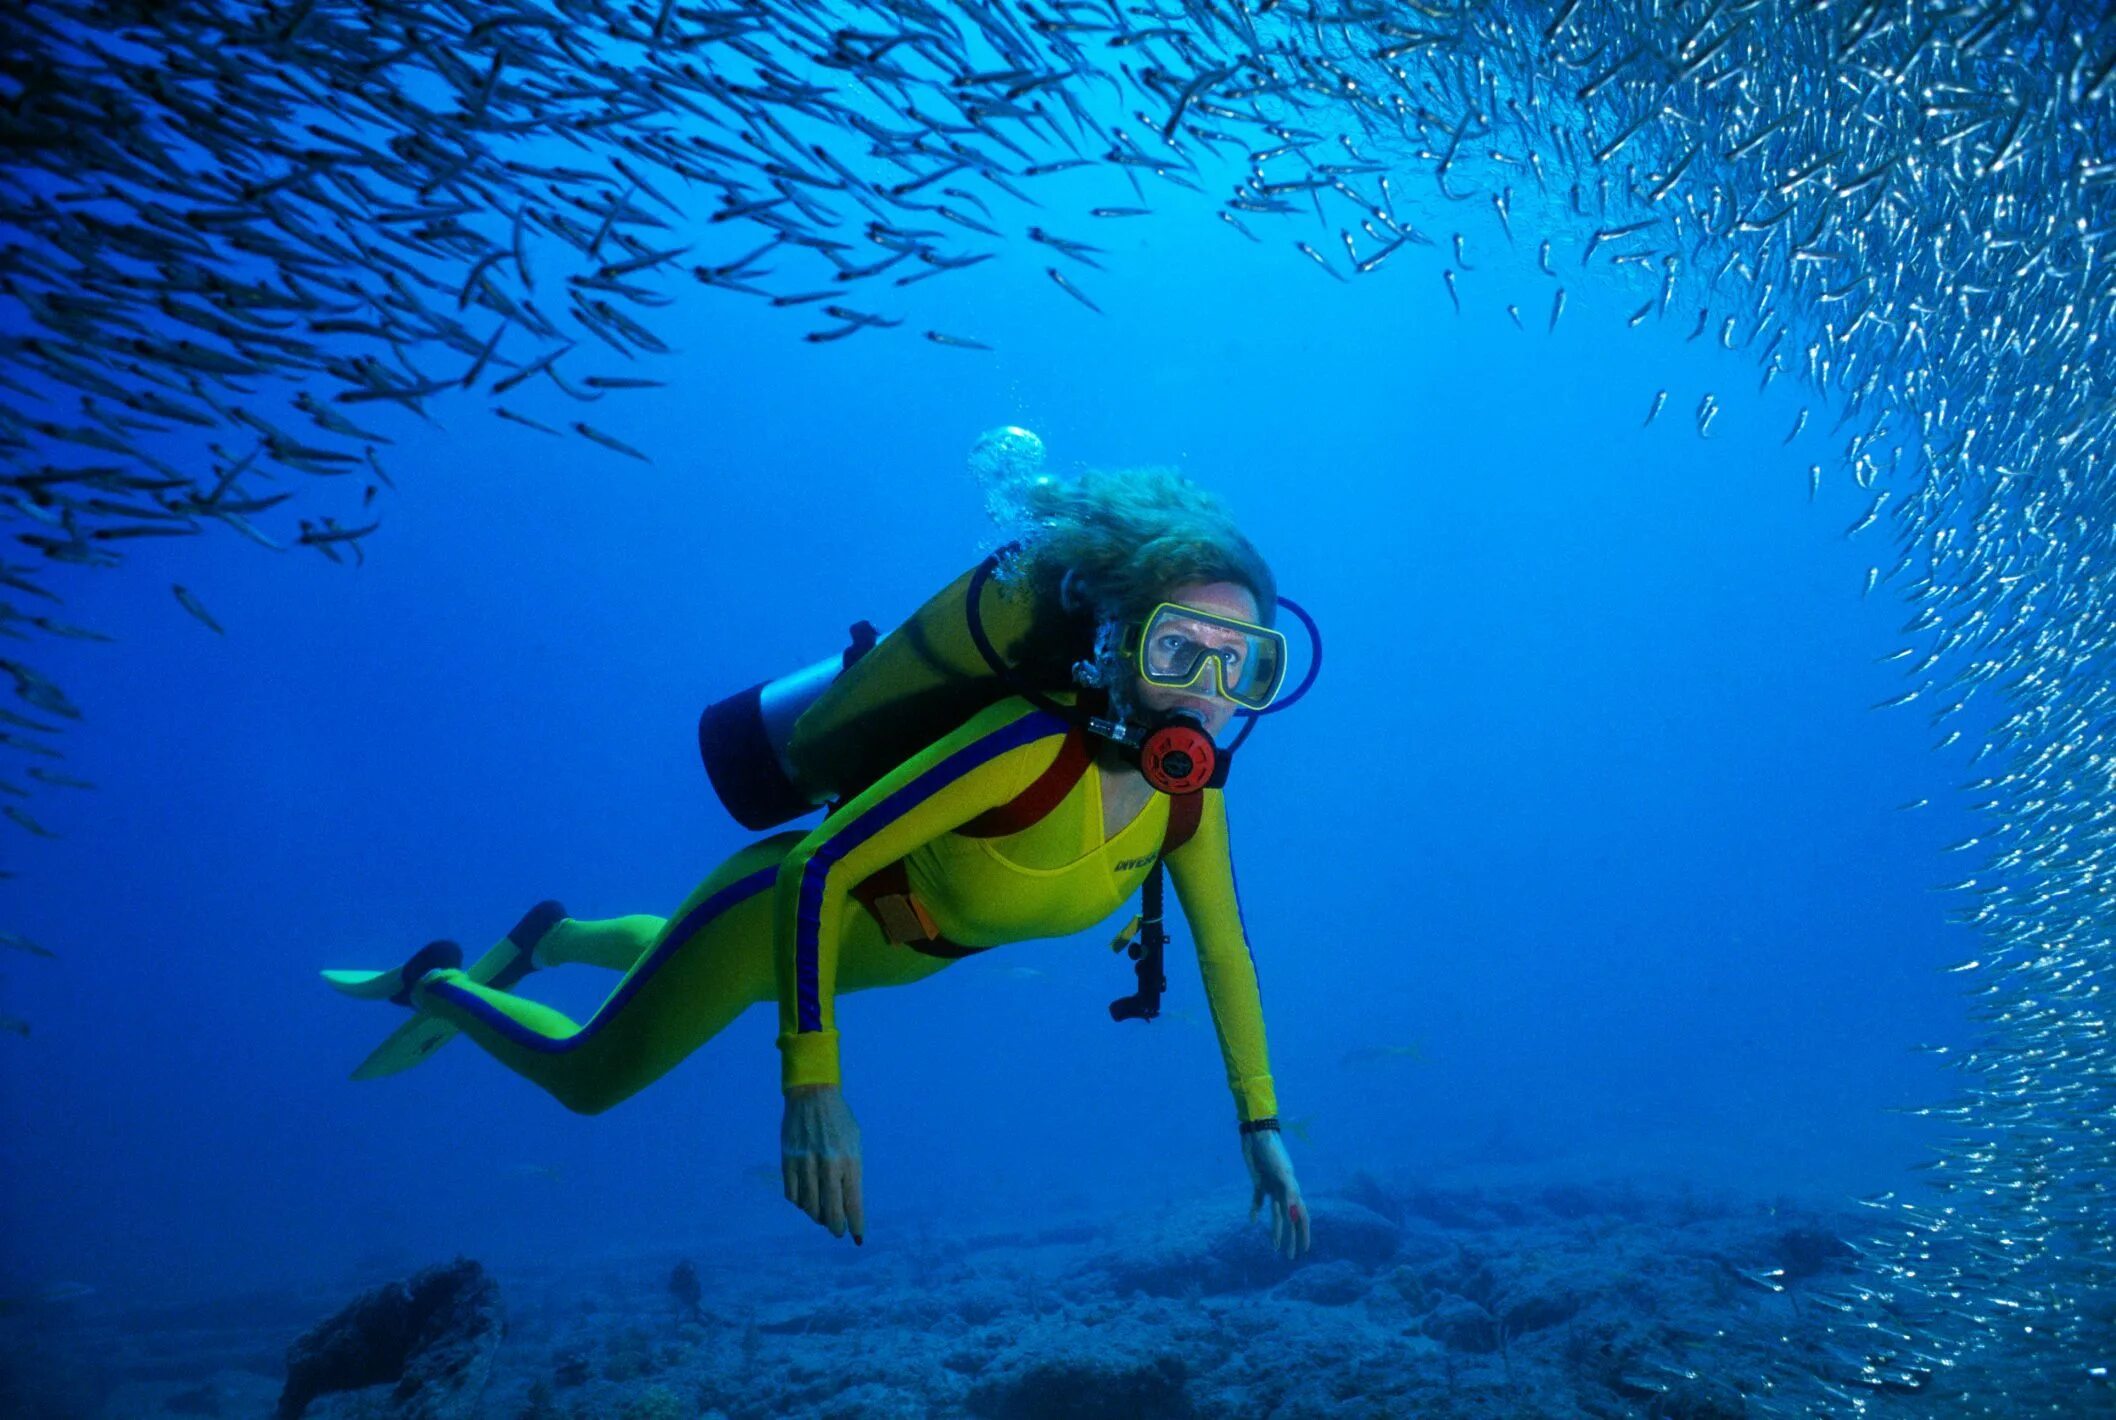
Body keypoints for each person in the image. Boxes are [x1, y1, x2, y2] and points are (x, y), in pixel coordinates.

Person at [324, 462, 1313, 1260]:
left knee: (668, 962)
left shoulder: (1193, 796)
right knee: (589, 1080)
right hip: (775, 913)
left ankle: (553, 934)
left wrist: (1258, 1126)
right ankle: (438, 981)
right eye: (1177, 649)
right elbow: (822, 864)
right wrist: (814, 1088)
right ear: (1113, 644)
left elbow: (1225, 957)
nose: (1209, 691)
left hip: (864, 955)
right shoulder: (1024, 743)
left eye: (1244, 663)